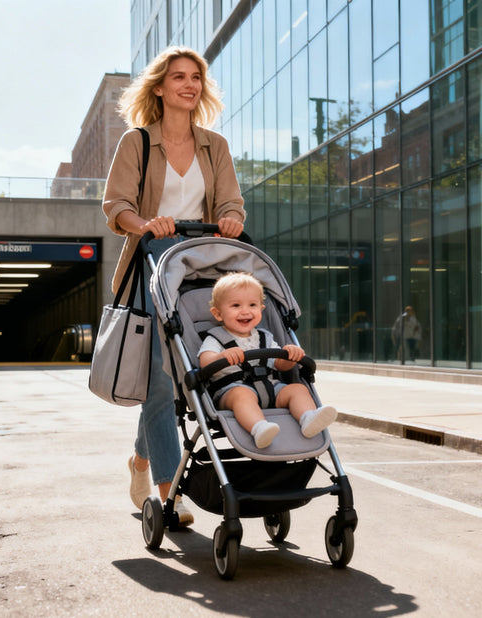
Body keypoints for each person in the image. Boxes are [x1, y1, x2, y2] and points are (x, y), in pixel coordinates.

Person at [102, 46, 246, 524]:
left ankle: (141, 459)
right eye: (179, 77)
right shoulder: (137, 143)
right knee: (161, 380)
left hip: (200, 269)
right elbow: (116, 206)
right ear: (160, 87)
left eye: (196, 78)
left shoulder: (215, 146)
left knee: (190, 378)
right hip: (151, 266)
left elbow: (232, 203)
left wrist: (230, 219)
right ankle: (171, 495)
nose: (189, 85)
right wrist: (146, 224)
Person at [197, 272, 337, 448]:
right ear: (218, 314)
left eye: (252, 305)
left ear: (261, 309)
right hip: (231, 390)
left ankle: (308, 417)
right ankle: (259, 428)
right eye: (236, 305)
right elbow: (204, 362)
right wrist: (220, 357)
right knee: (242, 395)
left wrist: (290, 355)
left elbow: (280, 365)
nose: (245, 311)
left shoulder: (265, 337)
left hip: (270, 387)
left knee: (298, 389)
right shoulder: (216, 338)